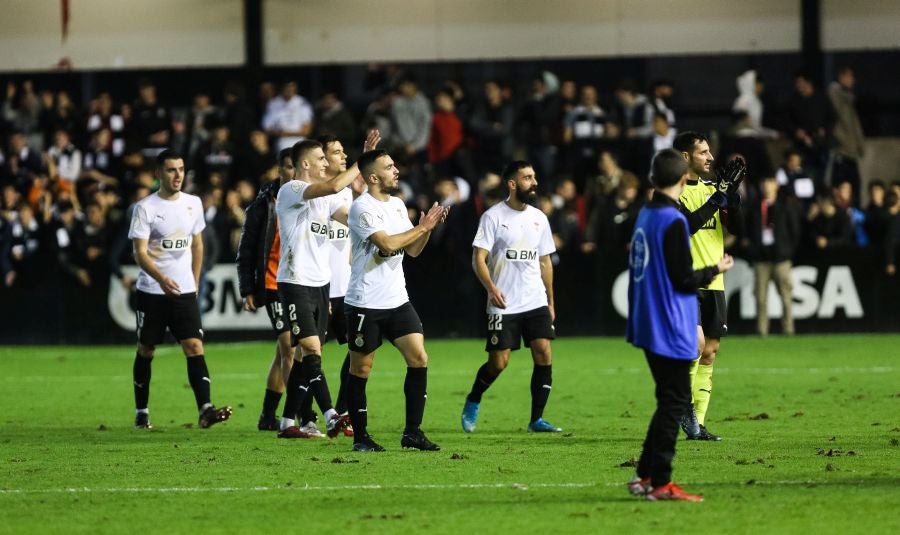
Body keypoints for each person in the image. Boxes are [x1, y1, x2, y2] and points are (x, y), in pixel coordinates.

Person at [626, 148, 734, 501]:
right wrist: (715, 269)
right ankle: (661, 483)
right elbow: (683, 280)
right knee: (673, 403)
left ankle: (644, 476)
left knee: (667, 401)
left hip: (646, 318)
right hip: (668, 321)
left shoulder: (647, 213)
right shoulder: (670, 220)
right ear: (683, 177)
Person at [343, 149, 448, 452]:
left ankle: (412, 433)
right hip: (365, 302)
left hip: (397, 299)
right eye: (389, 167)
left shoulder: (399, 205)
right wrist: (423, 227)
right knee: (360, 369)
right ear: (373, 177)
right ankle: (361, 438)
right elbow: (387, 243)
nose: (395, 171)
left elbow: (412, 250)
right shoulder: (361, 208)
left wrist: (427, 228)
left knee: (419, 358)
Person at [127, 149, 232, 430]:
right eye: (171, 170)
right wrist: (161, 278)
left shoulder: (193, 203)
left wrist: (195, 281)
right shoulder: (145, 208)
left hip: (184, 292)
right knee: (146, 349)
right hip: (152, 291)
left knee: (195, 346)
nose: (177, 176)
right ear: (158, 174)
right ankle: (142, 411)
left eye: (181, 169)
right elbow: (139, 253)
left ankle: (205, 409)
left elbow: (197, 244)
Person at [273, 139, 366, 439]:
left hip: (320, 284)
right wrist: (362, 161)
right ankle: (331, 415)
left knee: (305, 355)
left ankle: (288, 422)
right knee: (312, 348)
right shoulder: (292, 190)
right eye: (319, 158)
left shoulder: (326, 200)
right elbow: (331, 186)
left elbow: (350, 220)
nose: (325, 162)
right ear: (305, 164)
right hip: (295, 281)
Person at [460, 160, 561, 434]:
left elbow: (545, 262)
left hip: (535, 299)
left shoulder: (539, 218)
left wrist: (550, 301)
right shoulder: (493, 217)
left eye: (535, 176)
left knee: (543, 351)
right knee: (499, 362)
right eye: (528, 177)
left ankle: (536, 419)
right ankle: (473, 398)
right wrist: (492, 288)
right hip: (503, 302)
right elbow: (478, 258)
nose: (535, 182)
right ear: (512, 184)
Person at [237, 148, 319, 433]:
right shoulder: (264, 204)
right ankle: (303, 414)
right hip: (273, 283)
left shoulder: (309, 197)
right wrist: (247, 286)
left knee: (283, 352)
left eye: (293, 167)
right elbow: (247, 247)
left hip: (299, 282)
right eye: (286, 167)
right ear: (281, 169)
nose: (291, 173)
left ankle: (268, 415)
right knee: (289, 348)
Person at [675, 131, 744, 441]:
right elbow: (685, 227)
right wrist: (719, 197)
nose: (710, 157)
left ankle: (696, 425)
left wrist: (734, 199)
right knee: (696, 344)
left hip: (714, 280)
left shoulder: (715, 188)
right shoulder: (670, 193)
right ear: (686, 156)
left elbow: (737, 229)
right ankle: (681, 407)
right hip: (686, 280)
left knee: (711, 352)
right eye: (702, 152)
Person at [317, 133, 378, 437]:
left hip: (346, 288)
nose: (342, 156)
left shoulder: (345, 194)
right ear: (321, 157)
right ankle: (298, 415)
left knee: (354, 351)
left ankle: (340, 412)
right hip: (319, 286)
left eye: (344, 151)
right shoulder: (318, 192)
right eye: (337, 152)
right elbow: (353, 220)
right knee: (308, 354)